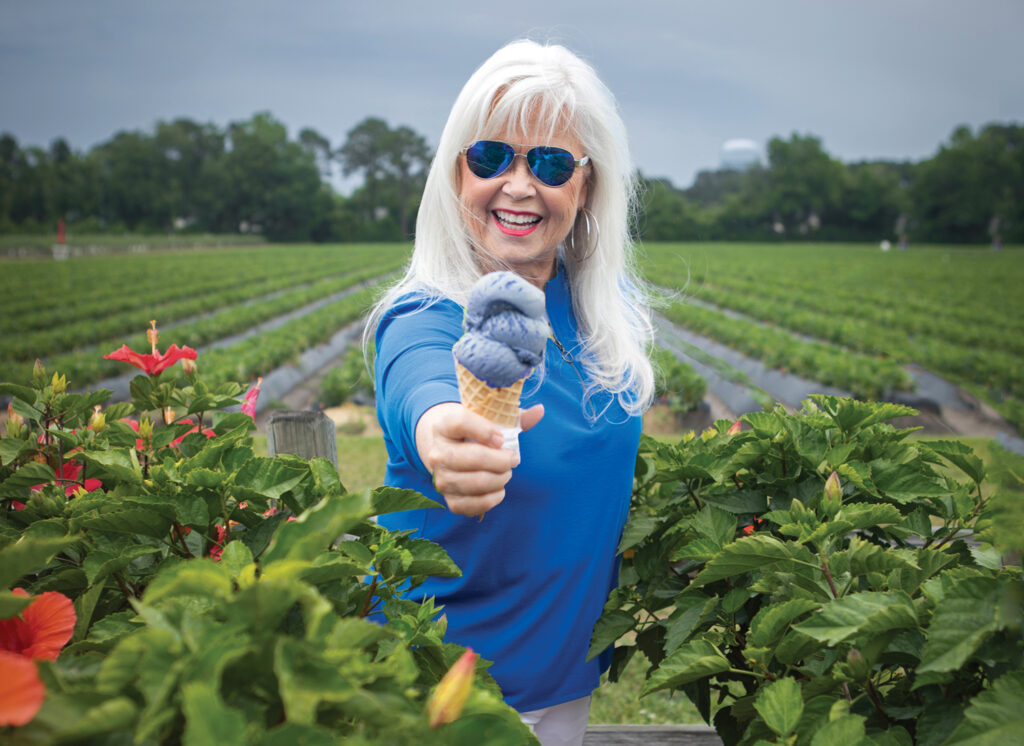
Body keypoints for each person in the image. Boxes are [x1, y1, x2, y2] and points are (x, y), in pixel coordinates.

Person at [366, 39, 655, 745]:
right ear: (456, 173)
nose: (520, 185)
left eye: (552, 163)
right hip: (445, 689)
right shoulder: (425, 316)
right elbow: (424, 393)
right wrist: (447, 437)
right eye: (492, 156)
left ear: (587, 187)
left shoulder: (598, 312)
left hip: (564, 678)